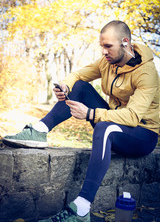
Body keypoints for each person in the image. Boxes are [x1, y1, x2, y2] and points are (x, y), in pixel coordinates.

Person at [3, 20, 159, 222]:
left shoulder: (147, 73)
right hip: (115, 123)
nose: (103, 51)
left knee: (105, 127)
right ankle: (40, 130)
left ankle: (82, 209)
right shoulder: (107, 62)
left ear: (125, 42)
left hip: (142, 135)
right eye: (102, 46)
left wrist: (91, 114)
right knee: (80, 87)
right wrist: (65, 86)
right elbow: (78, 75)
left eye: (108, 46)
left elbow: (131, 117)